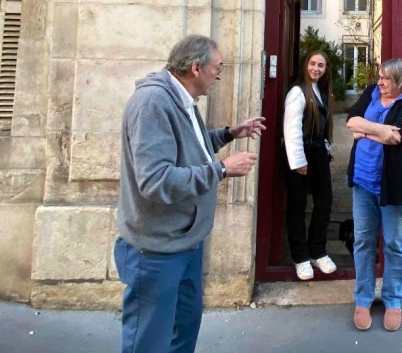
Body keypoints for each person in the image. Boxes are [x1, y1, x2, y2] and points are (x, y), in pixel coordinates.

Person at [114, 35, 265, 353]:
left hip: (185, 242)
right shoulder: (154, 103)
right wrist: (221, 169)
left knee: (183, 330)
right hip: (156, 250)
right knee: (150, 341)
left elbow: (190, 148)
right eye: (217, 67)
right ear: (196, 68)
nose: (219, 75)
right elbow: (156, 180)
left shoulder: (180, 100)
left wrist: (228, 134)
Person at [345, 58, 402, 332]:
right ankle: (363, 299)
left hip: (395, 186)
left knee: (394, 245)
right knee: (363, 242)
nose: (380, 83)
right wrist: (378, 131)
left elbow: (399, 137)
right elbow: (350, 120)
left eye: (386, 79)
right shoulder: (370, 93)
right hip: (363, 182)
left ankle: (392, 301)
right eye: (379, 77)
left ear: (400, 80)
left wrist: (364, 131)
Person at [283, 50, 337, 280]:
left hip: (318, 154)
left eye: (321, 65)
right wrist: (298, 161)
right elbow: (292, 127)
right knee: (297, 206)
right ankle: (300, 256)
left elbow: (322, 124)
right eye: (313, 64)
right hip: (301, 154)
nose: (316, 68)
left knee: (324, 201)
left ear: (326, 70)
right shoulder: (297, 91)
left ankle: (318, 251)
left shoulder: (322, 91)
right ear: (305, 65)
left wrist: (326, 145)